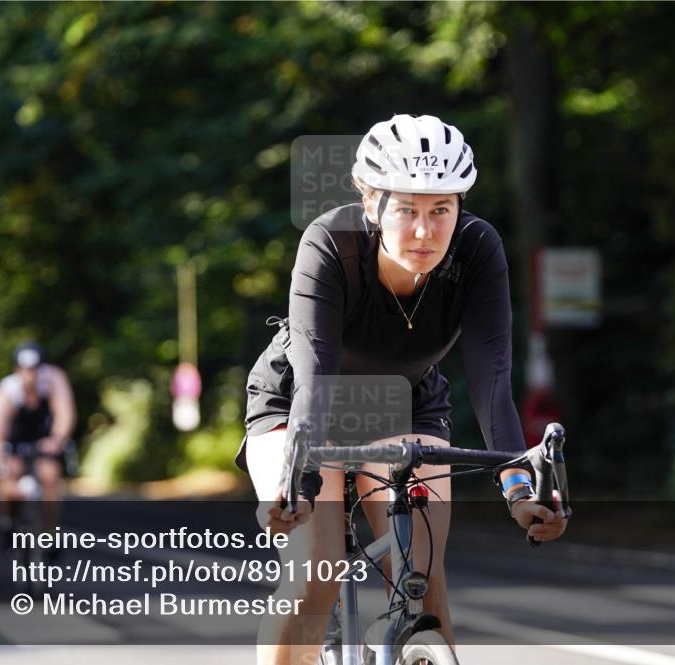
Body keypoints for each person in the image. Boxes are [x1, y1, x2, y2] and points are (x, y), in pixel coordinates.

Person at [237, 114, 569, 664]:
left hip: (407, 404)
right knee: (314, 575)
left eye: (442, 209)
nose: (425, 230)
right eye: (407, 208)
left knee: (423, 580)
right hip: (299, 401)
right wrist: (297, 482)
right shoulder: (329, 243)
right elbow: (315, 377)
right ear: (372, 205)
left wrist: (519, 487)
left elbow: (492, 382)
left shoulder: (477, 250)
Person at [0, 342, 76, 547]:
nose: (31, 374)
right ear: (17, 368)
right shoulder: (6, 392)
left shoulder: (54, 379)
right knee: (9, 479)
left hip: (44, 441)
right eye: (26, 368)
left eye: (35, 368)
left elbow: (65, 413)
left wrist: (57, 439)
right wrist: (0, 467)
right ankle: (9, 523)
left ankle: (51, 535)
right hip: (14, 442)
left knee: (50, 476)